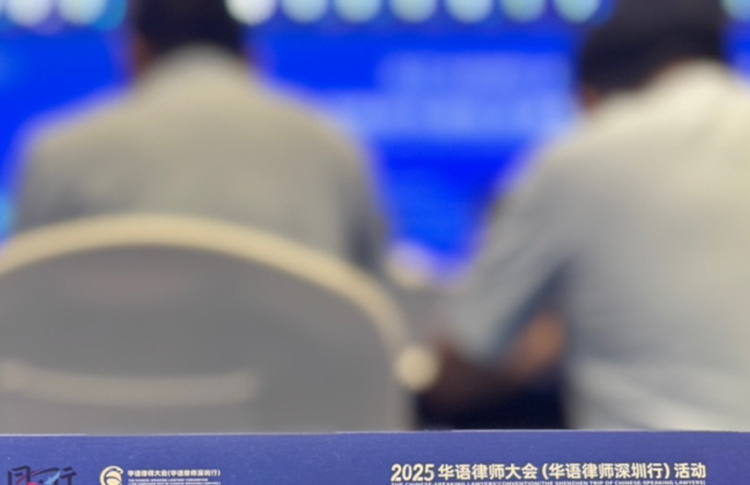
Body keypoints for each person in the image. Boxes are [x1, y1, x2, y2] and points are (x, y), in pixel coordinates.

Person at [431, 0, 750, 430]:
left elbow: (457, 372)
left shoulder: (576, 160)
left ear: (588, 97)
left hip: (650, 468)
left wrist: (553, 338)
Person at [12, 0, 386, 275]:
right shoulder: (337, 148)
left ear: (136, 55)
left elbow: (22, 313)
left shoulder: (55, 153)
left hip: (107, 362)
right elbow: (381, 313)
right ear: (250, 60)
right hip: (299, 363)